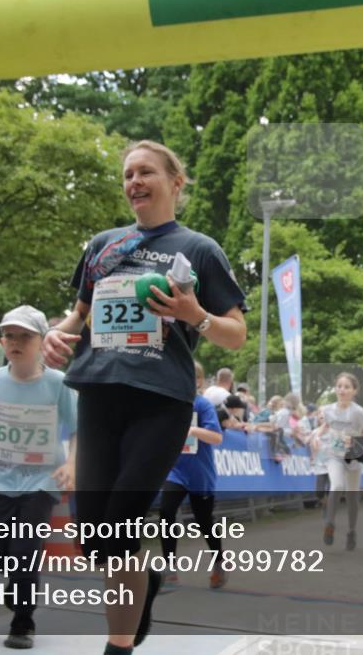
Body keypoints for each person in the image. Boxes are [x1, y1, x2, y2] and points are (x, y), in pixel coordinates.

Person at [41, 139, 246, 654]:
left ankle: (118, 647)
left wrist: (192, 314)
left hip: (161, 401)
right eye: (128, 174)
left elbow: (235, 334)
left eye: (146, 172)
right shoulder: (103, 245)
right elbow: (79, 313)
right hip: (99, 394)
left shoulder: (199, 249)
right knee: (95, 539)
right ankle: (146, 581)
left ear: (175, 181)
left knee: (122, 521)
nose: (134, 182)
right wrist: (57, 334)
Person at [0, 305, 77, 650]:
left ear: (41, 342)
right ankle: (14, 582)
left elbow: (78, 428)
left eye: (25, 336)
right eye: (9, 335)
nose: (15, 342)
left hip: (41, 483)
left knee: (25, 553)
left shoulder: (60, 383)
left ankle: (23, 623)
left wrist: (72, 464)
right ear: (2, 341)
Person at [158, 362, 226, 592]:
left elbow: (217, 438)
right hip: (176, 471)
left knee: (204, 522)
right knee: (166, 511)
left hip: (200, 473)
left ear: (198, 381)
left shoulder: (203, 405)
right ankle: (170, 568)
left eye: (188, 376)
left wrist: (194, 431)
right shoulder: (170, 404)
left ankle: (218, 563)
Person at [312, 372, 363, 551]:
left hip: (353, 457)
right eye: (339, 386)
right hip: (334, 454)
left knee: (353, 497)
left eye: (346, 387)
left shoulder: (359, 412)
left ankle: (352, 531)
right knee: (337, 486)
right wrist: (316, 436)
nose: (342, 390)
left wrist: (356, 441)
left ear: (354, 391)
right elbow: (325, 427)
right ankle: (329, 524)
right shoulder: (328, 409)